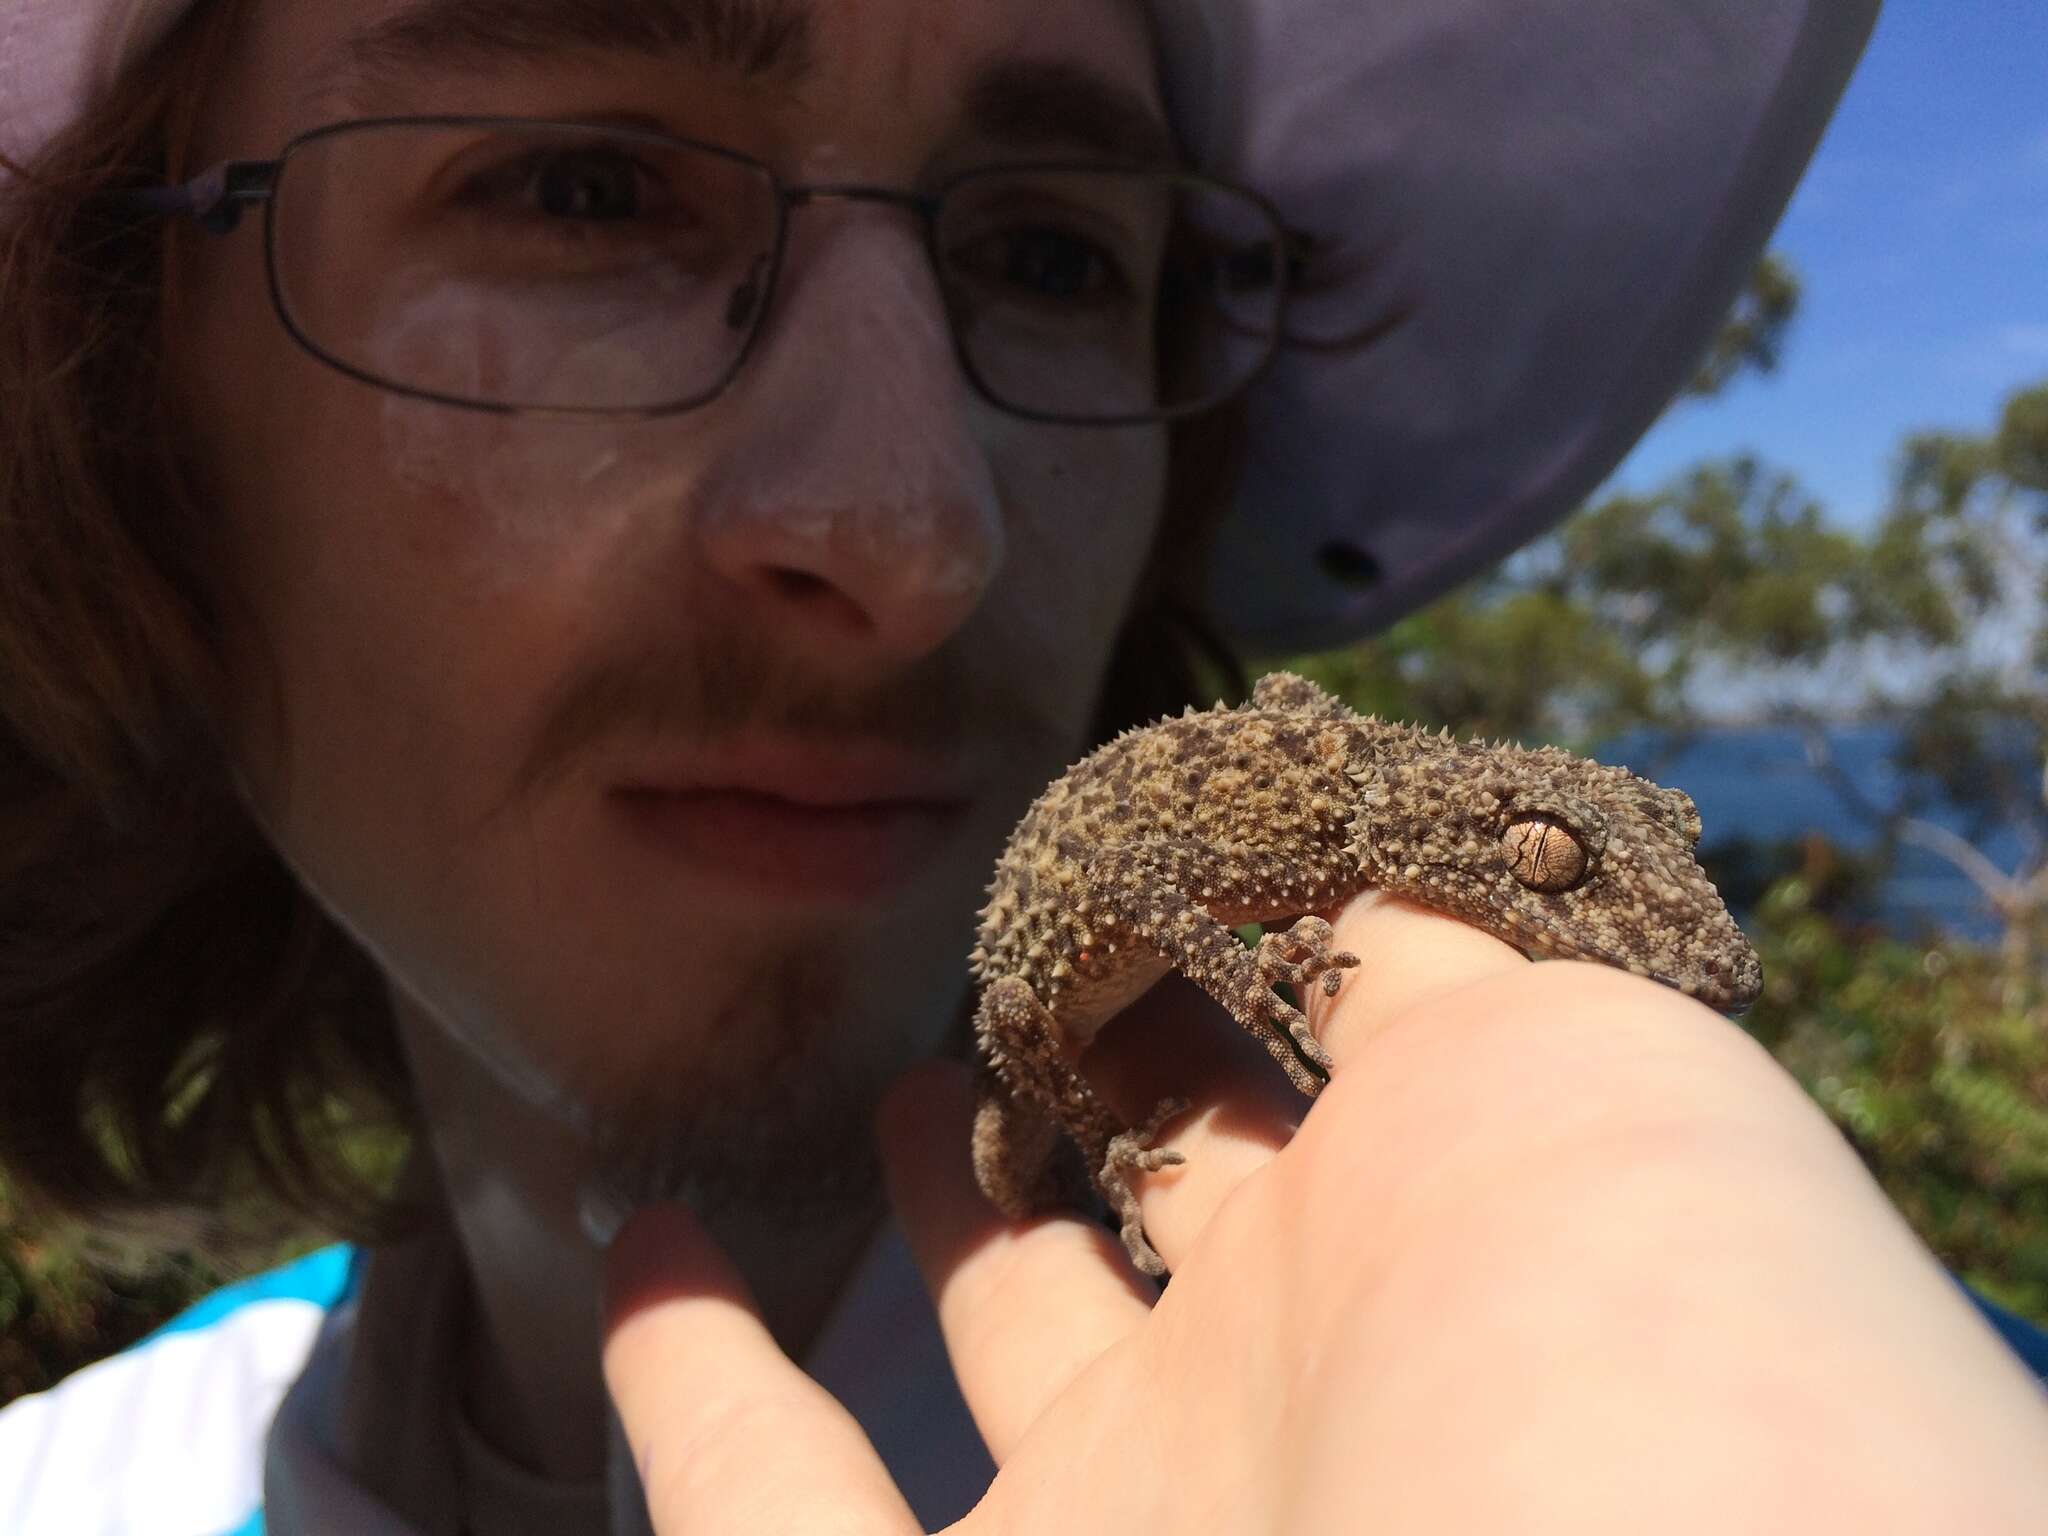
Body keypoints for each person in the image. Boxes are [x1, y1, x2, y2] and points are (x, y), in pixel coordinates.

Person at [0, 0, 2043, 1532]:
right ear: (128, 408)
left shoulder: (1792, 1405)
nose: (912, 532)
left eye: (1057, 256)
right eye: (582, 188)